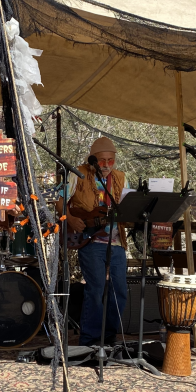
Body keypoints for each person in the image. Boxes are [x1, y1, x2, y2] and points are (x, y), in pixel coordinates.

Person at [64, 137, 129, 346]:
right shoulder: (78, 173)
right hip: (90, 242)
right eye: (102, 161)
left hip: (116, 243)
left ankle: (108, 337)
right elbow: (59, 200)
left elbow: (128, 206)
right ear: (92, 160)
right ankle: (90, 340)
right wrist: (71, 219)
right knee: (96, 288)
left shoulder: (120, 178)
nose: (107, 165)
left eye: (111, 160)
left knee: (119, 290)